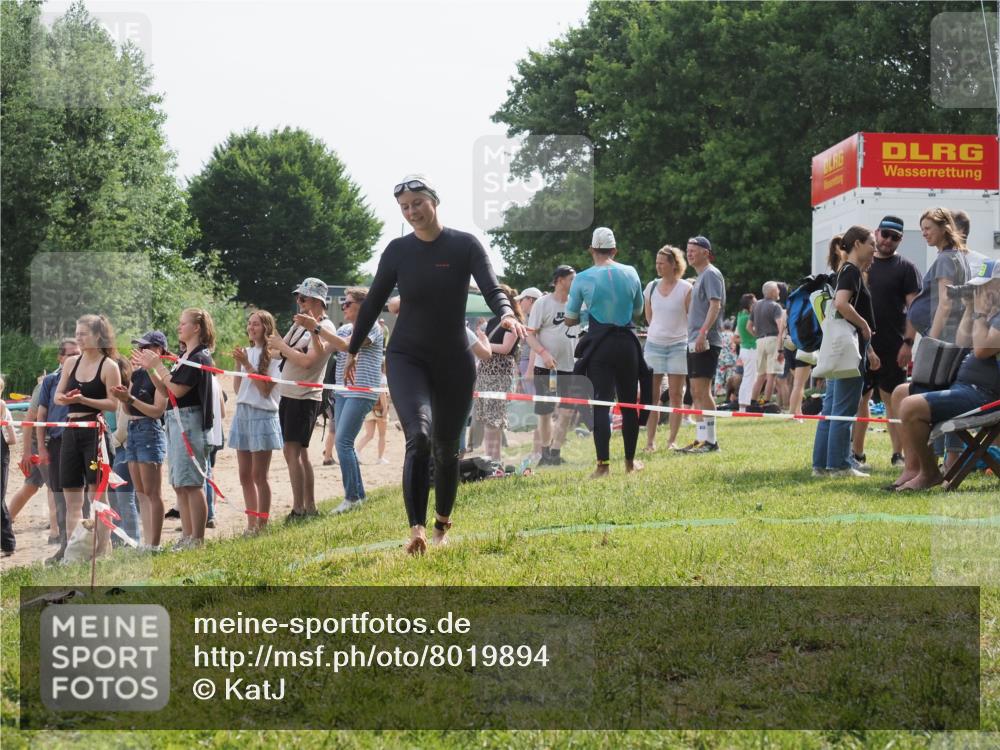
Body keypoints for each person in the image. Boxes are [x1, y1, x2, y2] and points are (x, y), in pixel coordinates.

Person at [345, 174, 524, 554]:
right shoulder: (397, 251)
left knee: (446, 448)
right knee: (419, 437)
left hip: (454, 359)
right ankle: (417, 531)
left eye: (417, 204)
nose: (412, 212)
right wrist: (353, 349)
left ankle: (443, 524)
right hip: (407, 355)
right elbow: (374, 300)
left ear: (434, 202)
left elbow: (493, 288)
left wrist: (506, 313)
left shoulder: (464, 245)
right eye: (405, 208)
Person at [893, 258, 1000, 491]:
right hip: (964, 387)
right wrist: (972, 309)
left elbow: (982, 351)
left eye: (984, 286)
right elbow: (962, 342)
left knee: (910, 406)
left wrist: (980, 313)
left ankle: (930, 473)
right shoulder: (989, 314)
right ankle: (913, 468)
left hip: (985, 396)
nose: (979, 290)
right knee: (901, 393)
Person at [564, 226, 645, 478]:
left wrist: (589, 312)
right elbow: (637, 311)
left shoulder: (583, 278)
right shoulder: (630, 272)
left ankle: (603, 465)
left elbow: (569, 318)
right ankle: (630, 463)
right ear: (614, 250)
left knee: (601, 402)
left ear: (591, 249)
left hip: (600, 345)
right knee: (629, 403)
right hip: (628, 344)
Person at [300, 286, 384, 514]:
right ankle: (358, 496)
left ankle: (352, 497)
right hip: (345, 391)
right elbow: (324, 350)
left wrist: (317, 327)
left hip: (361, 391)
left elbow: (349, 345)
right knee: (344, 443)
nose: (343, 307)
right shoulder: (346, 328)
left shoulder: (373, 328)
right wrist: (313, 331)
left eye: (347, 303)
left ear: (362, 306)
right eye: (342, 303)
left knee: (343, 443)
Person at [139, 308, 215, 549]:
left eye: (183, 323)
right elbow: (166, 391)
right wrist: (151, 369)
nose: (178, 327)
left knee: (192, 483)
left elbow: (179, 390)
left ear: (196, 328)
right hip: (175, 419)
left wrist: (157, 365)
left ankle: (198, 539)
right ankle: (187, 535)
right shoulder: (184, 356)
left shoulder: (199, 357)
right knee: (179, 483)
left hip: (190, 421)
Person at [850, 216, 921, 470]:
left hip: (894, 346)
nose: (888, 241)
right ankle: (856, 454)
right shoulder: (861, 265)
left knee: (894, 402)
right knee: (861, 400)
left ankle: (898, 455)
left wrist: (909, 343)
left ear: (900, 240)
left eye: (895, 237)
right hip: (861, 344)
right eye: (885, 235)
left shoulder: (906, 267)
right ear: (876, 233)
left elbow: (915, 309)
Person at [811, 228, 880, 477]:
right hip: (848, 352)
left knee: (831, 408)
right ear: (858, 244)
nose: (875, 248)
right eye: (872, 243)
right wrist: (863, 325)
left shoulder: (846, 271)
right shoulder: (851, 271)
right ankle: (839, 465)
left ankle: (821, 465)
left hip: (839, 350)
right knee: (843, 408)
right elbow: (841, 303)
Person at [268, 278, 336, 521]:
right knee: (299, 452)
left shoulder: (325, 328)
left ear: (318, 301)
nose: (299, 302)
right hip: (289, 393)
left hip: (305, 396)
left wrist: (280, 348)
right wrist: (275, 347)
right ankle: (309, 507)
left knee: (292, 451)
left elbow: (308, 361)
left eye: (303, 298)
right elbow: (278, 351)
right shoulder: (300, 325)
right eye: (298, 297)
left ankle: (299, 509)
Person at [53, 315, 122, 556]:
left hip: (95, 433)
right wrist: (67, 399)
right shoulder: (71, 362)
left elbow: (113, 404)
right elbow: (57, 396)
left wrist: (83, 399)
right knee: (72, 498)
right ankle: (74, 553)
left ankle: (102, 551)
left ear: (98, 336)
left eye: (83, 333)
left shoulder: (110, 366)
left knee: (97, 496)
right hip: (71, 431)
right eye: (77, 333)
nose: (79, 338)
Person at [109, 331, 169, 550]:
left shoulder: (161, 375)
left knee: (153, 493)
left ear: (158, 350)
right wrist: (123, 397)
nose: (140, 352)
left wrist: (129, 398)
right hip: (134, 430)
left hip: (149, 430)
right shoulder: (137, 373)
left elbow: (157, 411)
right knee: (141, 492)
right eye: (140, 348)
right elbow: (128, 407)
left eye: (146, 348)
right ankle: (148, 543)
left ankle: (155, 544)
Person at [230, 311, 282, 535]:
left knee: (259, 475)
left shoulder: (274, 356)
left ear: (266, 327)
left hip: (262, 415)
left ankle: (262, 524)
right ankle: (251, 524)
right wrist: (238, 365)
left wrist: (247, 365)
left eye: (256, 324)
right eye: (249, 324)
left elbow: (264, 391)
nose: (251, 328)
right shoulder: (247, 352)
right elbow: (237, 389)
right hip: (242, 413)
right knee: (244, 475)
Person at [524, 267, 577, 464]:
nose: (575, 281)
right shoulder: (543, 303)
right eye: (572, 278)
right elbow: (529, 334)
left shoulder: (576, 302)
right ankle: (545, 452)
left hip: (569, 367)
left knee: (566, 412)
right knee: (545, 412)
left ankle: (555, 453)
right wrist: (543, 353)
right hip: (545, 367)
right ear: (560, 280)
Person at [678, 235, 726, 454]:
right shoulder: (699, 277)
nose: (689, 253)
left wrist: (702, 333)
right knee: (695, 393)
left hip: (706, 341)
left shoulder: (711, 274)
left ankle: (711, 442)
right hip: (694, 340)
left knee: (703, 392)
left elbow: (715, 306)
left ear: (706, 252)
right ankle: (700, 439)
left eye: (693, 250)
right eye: (687, 249)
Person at [642, 245, 692, 451]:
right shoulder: (651, 287)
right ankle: (650, 442)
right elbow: (649, 316)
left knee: (676, 395)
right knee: (652, 396)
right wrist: (659, 331)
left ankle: (672, 441)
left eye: (662, 263)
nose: (658, 266)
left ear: (674, 265)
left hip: (678, 345)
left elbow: (690, 318)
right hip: (654, 345)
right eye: (657, 262)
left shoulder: (686, 289)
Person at [35, 338, 81, 562]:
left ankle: (84, 546)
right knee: (60, 497)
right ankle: (65, 546)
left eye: (78, 354)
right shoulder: (51, 381)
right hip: (56, 443)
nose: (75, 358)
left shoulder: (85, 379)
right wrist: (42, 448)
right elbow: (40, 416)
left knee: (82, 498)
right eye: (70, 354)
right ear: (60, 358)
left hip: (80, 442)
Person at [474, 284, 523, 462]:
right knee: (489, 419)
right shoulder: (495, 320)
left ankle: (493, 461)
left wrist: (481, 344)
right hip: (488, 368)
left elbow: (506, 348)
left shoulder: (513, 321)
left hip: (500, 370)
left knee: (493, 419)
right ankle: (492, 460)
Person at [748, 281, 786, 406]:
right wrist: (781, 349)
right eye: (777, 289)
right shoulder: (776, 306)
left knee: (760, 374)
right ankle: (766, 403)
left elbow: (749, 327)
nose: (779, 291)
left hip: (759, 340)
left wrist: (757, 336)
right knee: (771, 375)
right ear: (772, 292)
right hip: (773, 340)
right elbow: (781, 327)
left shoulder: (756, 305)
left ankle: (753, 403)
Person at [355, 364, 390, 465]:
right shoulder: (383, 377)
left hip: (370, 407)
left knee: (369, 435)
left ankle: (357, 451)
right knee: (382, 435)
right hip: (379, 408)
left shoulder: (371, 377)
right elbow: (382, 394)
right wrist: (384, 408)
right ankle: (380, 458)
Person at [515, 287, 542, 396]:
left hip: (531, 363)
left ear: (530, 300)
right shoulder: (530, 317)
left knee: (534, 399)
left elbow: (535, 345)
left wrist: (530, 370)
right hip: (527, 362)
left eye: (521, 300)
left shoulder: (535, 318)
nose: (519, 303)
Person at [1, 376, 16, 557]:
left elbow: (12, 439)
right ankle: (7, 543)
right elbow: (12, 439)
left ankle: (8, 543)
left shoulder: (2, 405)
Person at [735, 293, 757, 411]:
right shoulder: (747, 317)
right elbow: (751, 330)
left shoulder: (740, 315)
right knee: (749, 378)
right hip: (750, 349)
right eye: (754, 303)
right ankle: (743, 406)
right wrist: (757, 336)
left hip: (745, 349)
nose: (756, 305)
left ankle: (744, 405)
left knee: (748, 378)